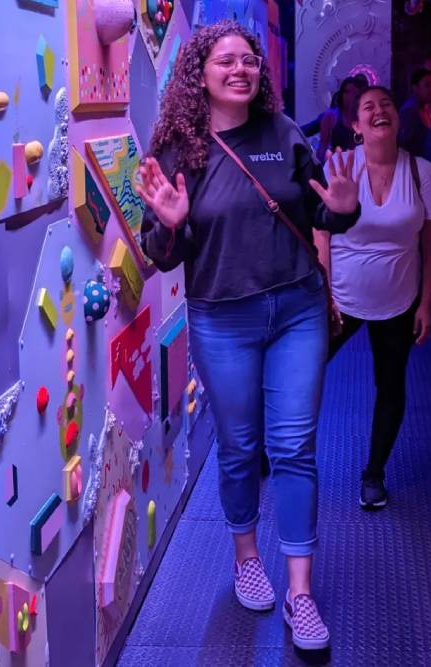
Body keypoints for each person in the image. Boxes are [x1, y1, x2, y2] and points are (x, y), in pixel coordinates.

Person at [136, 20, 360, 651]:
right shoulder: (179, 150)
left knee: (294, 447)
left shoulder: (285, 134)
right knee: (240, 448)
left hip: (297, 310)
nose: (241, 69)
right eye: (226, 61)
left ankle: (301, 594)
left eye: (250, 61)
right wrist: (172, 225)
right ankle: (245, 558)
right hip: (222, 318)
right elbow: (161, 254)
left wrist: (343, 208)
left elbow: (322, 208)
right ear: (200, 74)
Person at [314, 86, 431, 509]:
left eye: (387, 103)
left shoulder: (422, 172)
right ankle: (274, 452)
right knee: (303, 372)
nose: (379, 110)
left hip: (400, 301)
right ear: (355, 125)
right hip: (341, 300)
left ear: (397, 118)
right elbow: (322, 230)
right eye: (368, 107)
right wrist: (325, 293)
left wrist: (426, 303)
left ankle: (374, 474)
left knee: (390, 386)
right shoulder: (341, 166)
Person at [398, 67, 431, 158]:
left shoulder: (428, 108)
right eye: (427, 85)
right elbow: (403, 146)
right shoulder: (409, 113)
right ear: (415, 88)